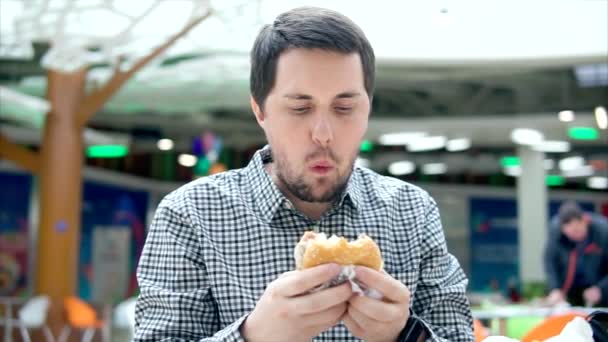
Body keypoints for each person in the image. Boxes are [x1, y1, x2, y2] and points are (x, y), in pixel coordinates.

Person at [134, 6, 473, 341]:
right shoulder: (190, 214)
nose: (323, 133)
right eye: (300, 107)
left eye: (344, 108)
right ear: (260, 111)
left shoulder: (412, 211)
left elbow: (458, 335)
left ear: (367, 108)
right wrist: (252, 336)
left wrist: (405, 336)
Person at [544, 201, 608, 307]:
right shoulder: (555, 231)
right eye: (570, 233)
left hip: (599, 284)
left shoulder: (603, 231)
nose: (575, 236)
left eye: (577, 231)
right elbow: (550, 261)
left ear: (585, 221)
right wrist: (554, 288)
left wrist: (602, 288)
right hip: (571, 287)